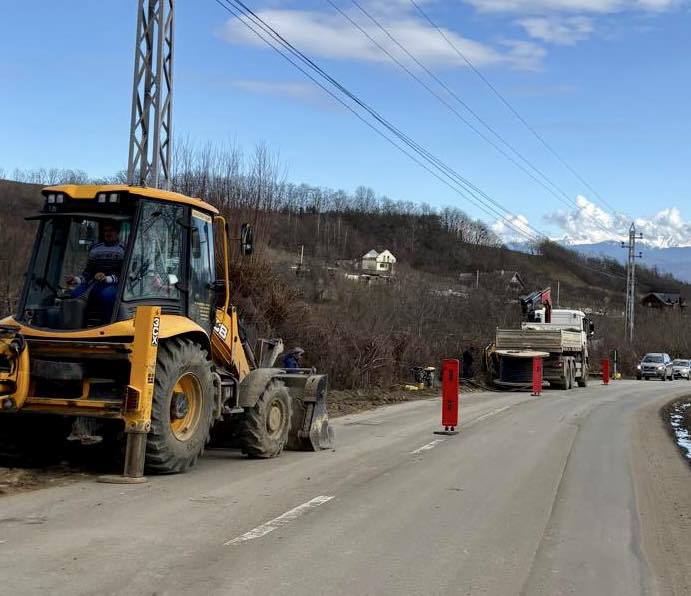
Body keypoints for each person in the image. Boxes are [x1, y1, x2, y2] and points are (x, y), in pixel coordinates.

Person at [66, 220, 125, 323]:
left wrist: (106, 278)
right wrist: (76, 280)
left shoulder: (123, 249)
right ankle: (79, 324)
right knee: (75, 294)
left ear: (117, 232)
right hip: (94, 283)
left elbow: (123, 274)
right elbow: (88, 273)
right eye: (105, 231)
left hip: (114, 284)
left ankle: (107, 324)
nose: (108, 233)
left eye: (111, 230)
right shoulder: (96, 249)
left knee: (107, 295)